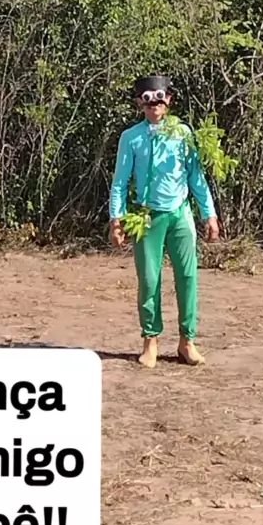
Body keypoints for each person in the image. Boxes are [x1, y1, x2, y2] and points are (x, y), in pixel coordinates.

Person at [109, 75, 219, 369]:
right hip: (147, 217)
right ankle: (150, 341)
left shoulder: (182, 132)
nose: (154, 104)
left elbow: (196, 176)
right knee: (149, 279)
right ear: (140, 102)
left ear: (169, 99)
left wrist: (209, 214)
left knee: (187, 277)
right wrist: (116, 220)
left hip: (179, 213)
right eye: (147, 98)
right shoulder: (131, 137)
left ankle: (187, 341)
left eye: (159, 97)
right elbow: (120, 183)